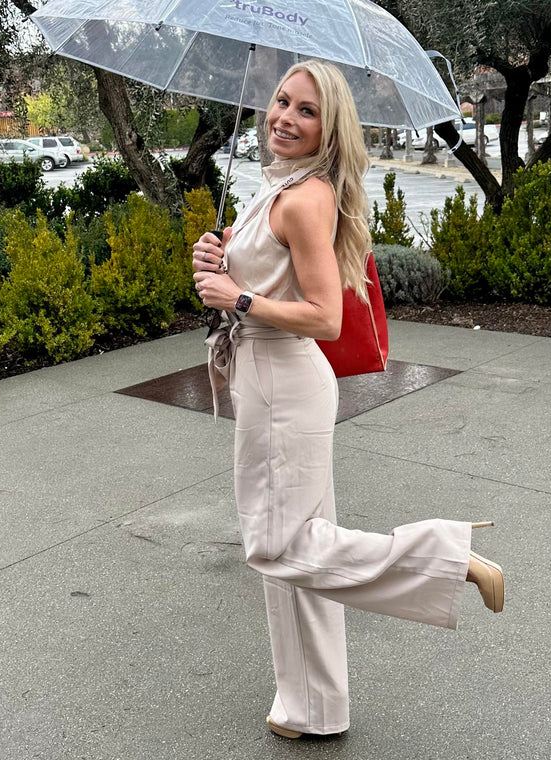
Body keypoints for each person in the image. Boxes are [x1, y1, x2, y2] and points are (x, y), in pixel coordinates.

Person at [191, 60, 504, 739]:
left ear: (329, 129)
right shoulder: (279, 186)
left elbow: (326, 317)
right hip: (270, 379)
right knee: (294, 549)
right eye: (282, 101)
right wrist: (218, 266)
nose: (285, 117)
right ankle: (312, 706)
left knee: (276, 545)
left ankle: (446, 559)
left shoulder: (305, 198)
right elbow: (262, 282)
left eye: (306, 110)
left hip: (283, 383)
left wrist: (238, 297)